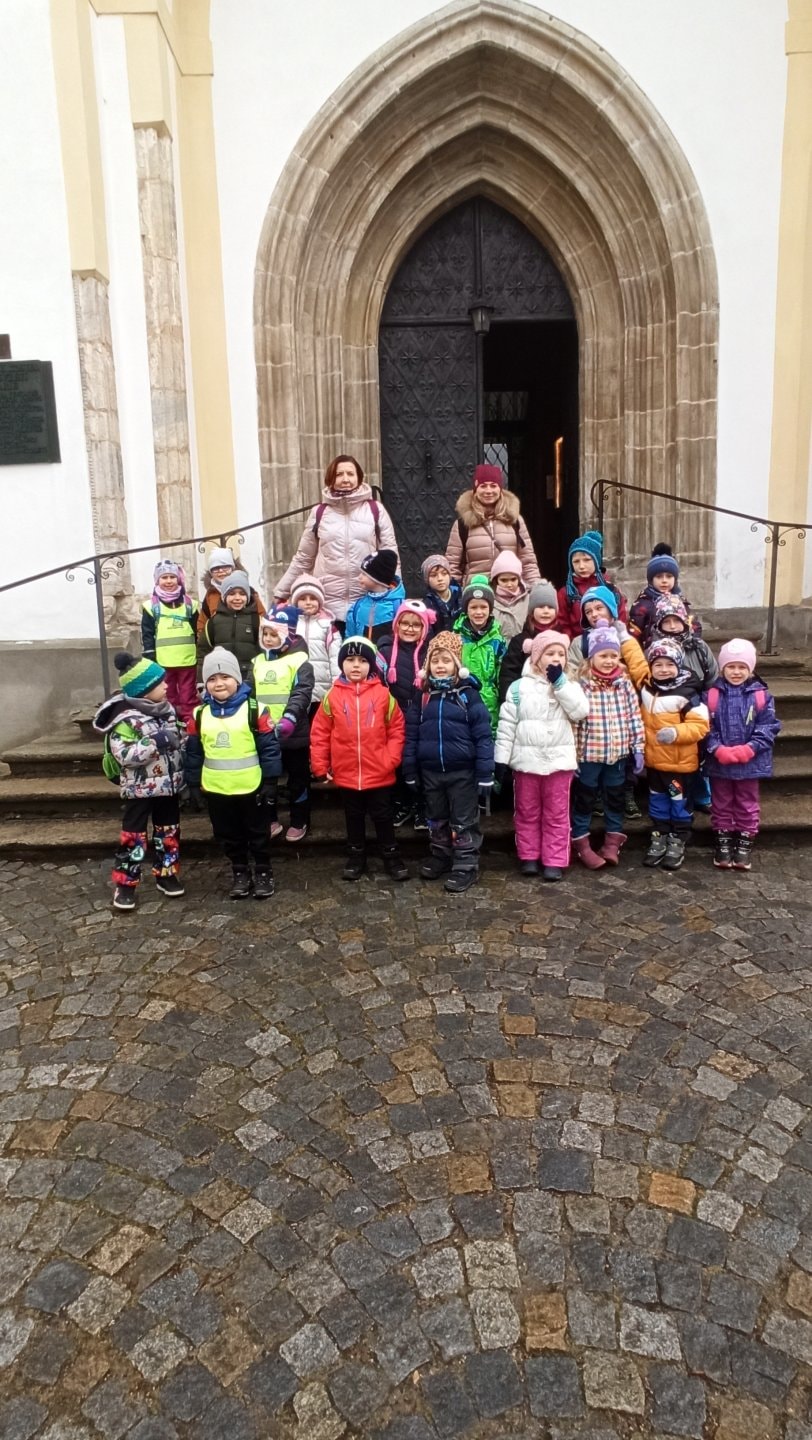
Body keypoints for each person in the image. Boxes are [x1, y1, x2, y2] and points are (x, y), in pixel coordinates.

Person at [93, 651, 186, 911]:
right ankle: (125, 884)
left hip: (168, 787)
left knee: (168, 833)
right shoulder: (125, 720)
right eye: (160, 683)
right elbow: (124, 756)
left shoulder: (167, 710)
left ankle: (166, 874)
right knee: (133, 838)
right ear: (144, 689)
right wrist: (153, 742)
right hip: (139, 790)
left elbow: (178, 743)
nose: (166, 686)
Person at [310, 636, 408, 882]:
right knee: (353, 817)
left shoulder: (384, 696)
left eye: (363, 661)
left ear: (371, 665)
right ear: (341, 664)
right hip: (347, 773)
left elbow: (396, 729)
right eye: (350, 660)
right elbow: (320, 733)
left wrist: (390, 759)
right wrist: (320, 765)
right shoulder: (332, 697)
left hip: (380, 772)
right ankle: (356, 856)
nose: (356, 665)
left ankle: (391, 856)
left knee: (383, 816)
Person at [185, 647, 281, 900]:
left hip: (251, 787)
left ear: (237, 679)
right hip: (216, 789)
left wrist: (271, 781)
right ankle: (240, 871)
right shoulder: (199, 715)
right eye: (212, 679)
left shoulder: (255, 710)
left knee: (258, 833)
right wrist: (193, 784)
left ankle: (263, 871)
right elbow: (194, 752)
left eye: (225, 677)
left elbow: (269, 749)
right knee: (227, 834)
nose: (219, 684)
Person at [403, 631, 494, 893]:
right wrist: (410, 768)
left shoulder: (468, 696)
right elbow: (412, 734)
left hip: (462, 771)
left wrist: (485, 772)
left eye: (446, 660)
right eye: (435, 661)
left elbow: (483, 736)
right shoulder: (423, 697)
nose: (440, 665)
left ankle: (466, 864)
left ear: (457, 664)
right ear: (427, 665)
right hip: (431, 770)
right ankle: (440, 854)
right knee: (436, 817)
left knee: (463, 820)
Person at [494, 630, 588, 880]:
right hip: (526, 764)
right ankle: (529, 855)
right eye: (550, 653)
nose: (556, 658)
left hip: (558, 765)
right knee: (527, 812)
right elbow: (507, 725)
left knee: (557, 814)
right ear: (536, 657)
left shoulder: (570, 685)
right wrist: (501, 759)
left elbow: (580, 711)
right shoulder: (518, 687)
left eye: (561, 654)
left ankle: (554, 859)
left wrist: (560, 685)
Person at [274, 454, 399, 625]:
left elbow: (391, 556)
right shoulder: (319, 513)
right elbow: (304, 558)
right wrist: (281, 592)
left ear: (359, 477)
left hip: (366, 603)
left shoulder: (375, 510)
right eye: (339, 474)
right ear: (330, 478)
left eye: (350, 474)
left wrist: (395, 595)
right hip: (327, 608)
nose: (345, 479)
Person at [571, 627, 645, 869]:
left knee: (614, 798)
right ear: (592, 657)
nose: (609, 661)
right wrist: (573, 755)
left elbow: (634, 716)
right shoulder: (582, 685)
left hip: (617, 755)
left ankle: (612, 841)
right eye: (603, 656)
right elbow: (574, 722)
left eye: (613, 656)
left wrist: (638, 747)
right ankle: (581, 841)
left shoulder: (624, 684)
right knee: (585, 799)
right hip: (588, 755)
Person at [705, 638, 781, 871]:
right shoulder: (711, 695)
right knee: (721, 803)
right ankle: (723, 842)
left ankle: (744, 843)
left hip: (750, 763)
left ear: (751, 669)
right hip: (720, 763)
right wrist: (716, 748)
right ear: (722, 668)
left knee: (747, 804)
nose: (736, 672)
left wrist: (751, 748)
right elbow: (704, 727)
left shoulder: (761, 696)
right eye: (731, 666)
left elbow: (768, 727)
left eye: (742, 667)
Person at [636, 636, 709, 870]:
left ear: (678, 665)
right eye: (658, 664)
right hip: (654, 764)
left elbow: (700, 725)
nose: (664, 669)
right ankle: (659, 836)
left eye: (669, 664)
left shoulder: (687, 693)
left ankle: (678, 839)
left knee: (678, 802)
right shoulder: (647, 687)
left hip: (678, 767)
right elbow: (636, 661)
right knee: (657, 801)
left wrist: (676, 732)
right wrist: (623, 636)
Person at [251, 609, 315, 843]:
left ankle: (300, 819)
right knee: (266, 779)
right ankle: (270, 819)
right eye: (265, 634)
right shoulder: (257, 662)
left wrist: (290, 717)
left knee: (298, 780)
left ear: (287, 636)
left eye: (273, 634)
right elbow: (251, 694)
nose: (268, 639)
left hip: (293, 733)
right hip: (265, 733)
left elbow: (302, 692)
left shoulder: (300, 662)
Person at [378, 600, 435, 830]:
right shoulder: (384, 650)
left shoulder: (430, 652)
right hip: (395, 716)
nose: (410, 629)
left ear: (424, 628)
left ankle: (422, 804)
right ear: (396, 624)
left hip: (423, 716)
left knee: (421, 760)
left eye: (416, 625)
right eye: (405, 623)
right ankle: (402, 802)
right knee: (398, 761)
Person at [446, 463, 541, 588]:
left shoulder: (515, 521)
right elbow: (453, 565)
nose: (488, 491)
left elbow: (528, 560)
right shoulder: (462, 524)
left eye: (493, 486)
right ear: (475, 489)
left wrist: (536, 588)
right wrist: (454, 592)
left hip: (509, 590)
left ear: (500, 489)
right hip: (476, 592)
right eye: (483, 486)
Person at [140, 560, 200, 723]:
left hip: (187, 659)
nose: (168, 581)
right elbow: (147, 633)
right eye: (164, 577)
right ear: (157, 580)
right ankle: (171, 720)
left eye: (172, 577)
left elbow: (197, 631)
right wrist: (150, 655)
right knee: (168, 693)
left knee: (188, 694)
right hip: (163, 660)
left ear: (179, 579)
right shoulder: (151, 607)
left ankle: (190, 722)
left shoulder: (191, 605)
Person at [453, 576, 507, 735]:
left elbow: (501, 675)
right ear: (466, 609)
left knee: (487, 739)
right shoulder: (456, 637)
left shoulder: (498, 640)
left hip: (489, 703)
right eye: (473, 607)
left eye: (483, 607)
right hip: (460, 699)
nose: (478, 612)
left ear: (490, 609)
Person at [556, 531, 627, 639]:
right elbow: (563, 624)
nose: (581, 566)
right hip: (578, 645)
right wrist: (574, 643)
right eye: (576, 561)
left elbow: (620, 619)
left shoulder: (611, 590)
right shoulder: (566, 593)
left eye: (587, 560)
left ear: (596, 560)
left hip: (610, 642)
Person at [629, 544, 700, 649]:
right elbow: (634, 633)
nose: (664, 580)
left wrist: (693, 644)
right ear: (651, 580)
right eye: (659, 577)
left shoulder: (680, 602)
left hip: (682, 651)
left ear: (675, 579)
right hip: (653, 652)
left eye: (669, 576)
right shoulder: (643, 604)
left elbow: (693, 625)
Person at [499, 580, 559, 702]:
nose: (546, 611)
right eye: (540, 607)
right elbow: (509, 674)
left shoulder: (561, 639)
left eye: (550, 607)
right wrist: (510, 701)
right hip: (525, 700)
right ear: (532, 610)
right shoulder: (520, 641)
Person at [197, 571, 263, 677]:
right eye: (232, 594)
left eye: (242, 594)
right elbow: (203, 653)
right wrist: (201, 680)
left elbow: (265, 651)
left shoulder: (257, 621)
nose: (237, 598)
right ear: (224, 597)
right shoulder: (213, 622)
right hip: (222, 676)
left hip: (250, 676)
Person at [289, 575, 341, 706]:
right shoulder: (290, 625)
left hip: (322, 688)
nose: (308, 602)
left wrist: (337, 684)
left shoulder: (327, 626)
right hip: (295, 689)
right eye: (303, 599)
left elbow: (335, 658)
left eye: (312, 598)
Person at [197, 547, 265, 637]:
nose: (221, 571)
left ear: (233, 568)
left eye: (225, 567)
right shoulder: (210, 595)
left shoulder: (248, 592)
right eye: (215, 568)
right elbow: (203, 623)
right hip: (220, 642)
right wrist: (204, 640)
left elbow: (262, 618)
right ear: (210, 572)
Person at [344, 549, 406, 642]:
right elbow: (350, 638)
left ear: (378, 578)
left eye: (364, 574)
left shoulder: (399, 607)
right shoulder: (357, 607)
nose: (359, 577)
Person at [489, 551, 529, 640]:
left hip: (522, 647)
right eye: (504, 580)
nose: (509, 584)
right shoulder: (489, 600)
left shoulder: (528, 599)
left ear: (519, 579)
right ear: (496, 580)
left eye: (513, 579)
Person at [421, 553, 462, 633]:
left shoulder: (460, 598)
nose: (440, 579)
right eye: (434, 575)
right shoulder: (426, 605)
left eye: (444, 574)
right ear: (427, 580)